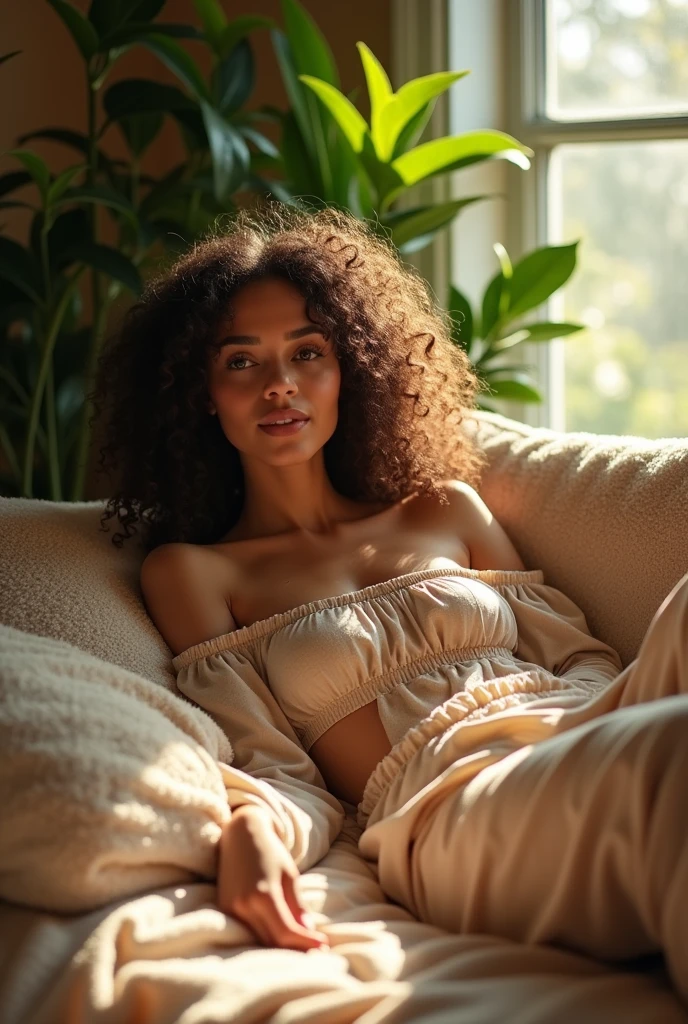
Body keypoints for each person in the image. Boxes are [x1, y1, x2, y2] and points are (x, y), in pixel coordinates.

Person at [89, 202, 688, 1004]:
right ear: (202, 390)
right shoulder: (195, 573)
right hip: (454, 811)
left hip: (584, 727)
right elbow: (275, 766)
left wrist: (598, 715)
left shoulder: (444, 509)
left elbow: (581, 660)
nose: (280, 386)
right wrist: (250, 827)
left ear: (351, 369)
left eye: (308, 353)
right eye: (242, 362)